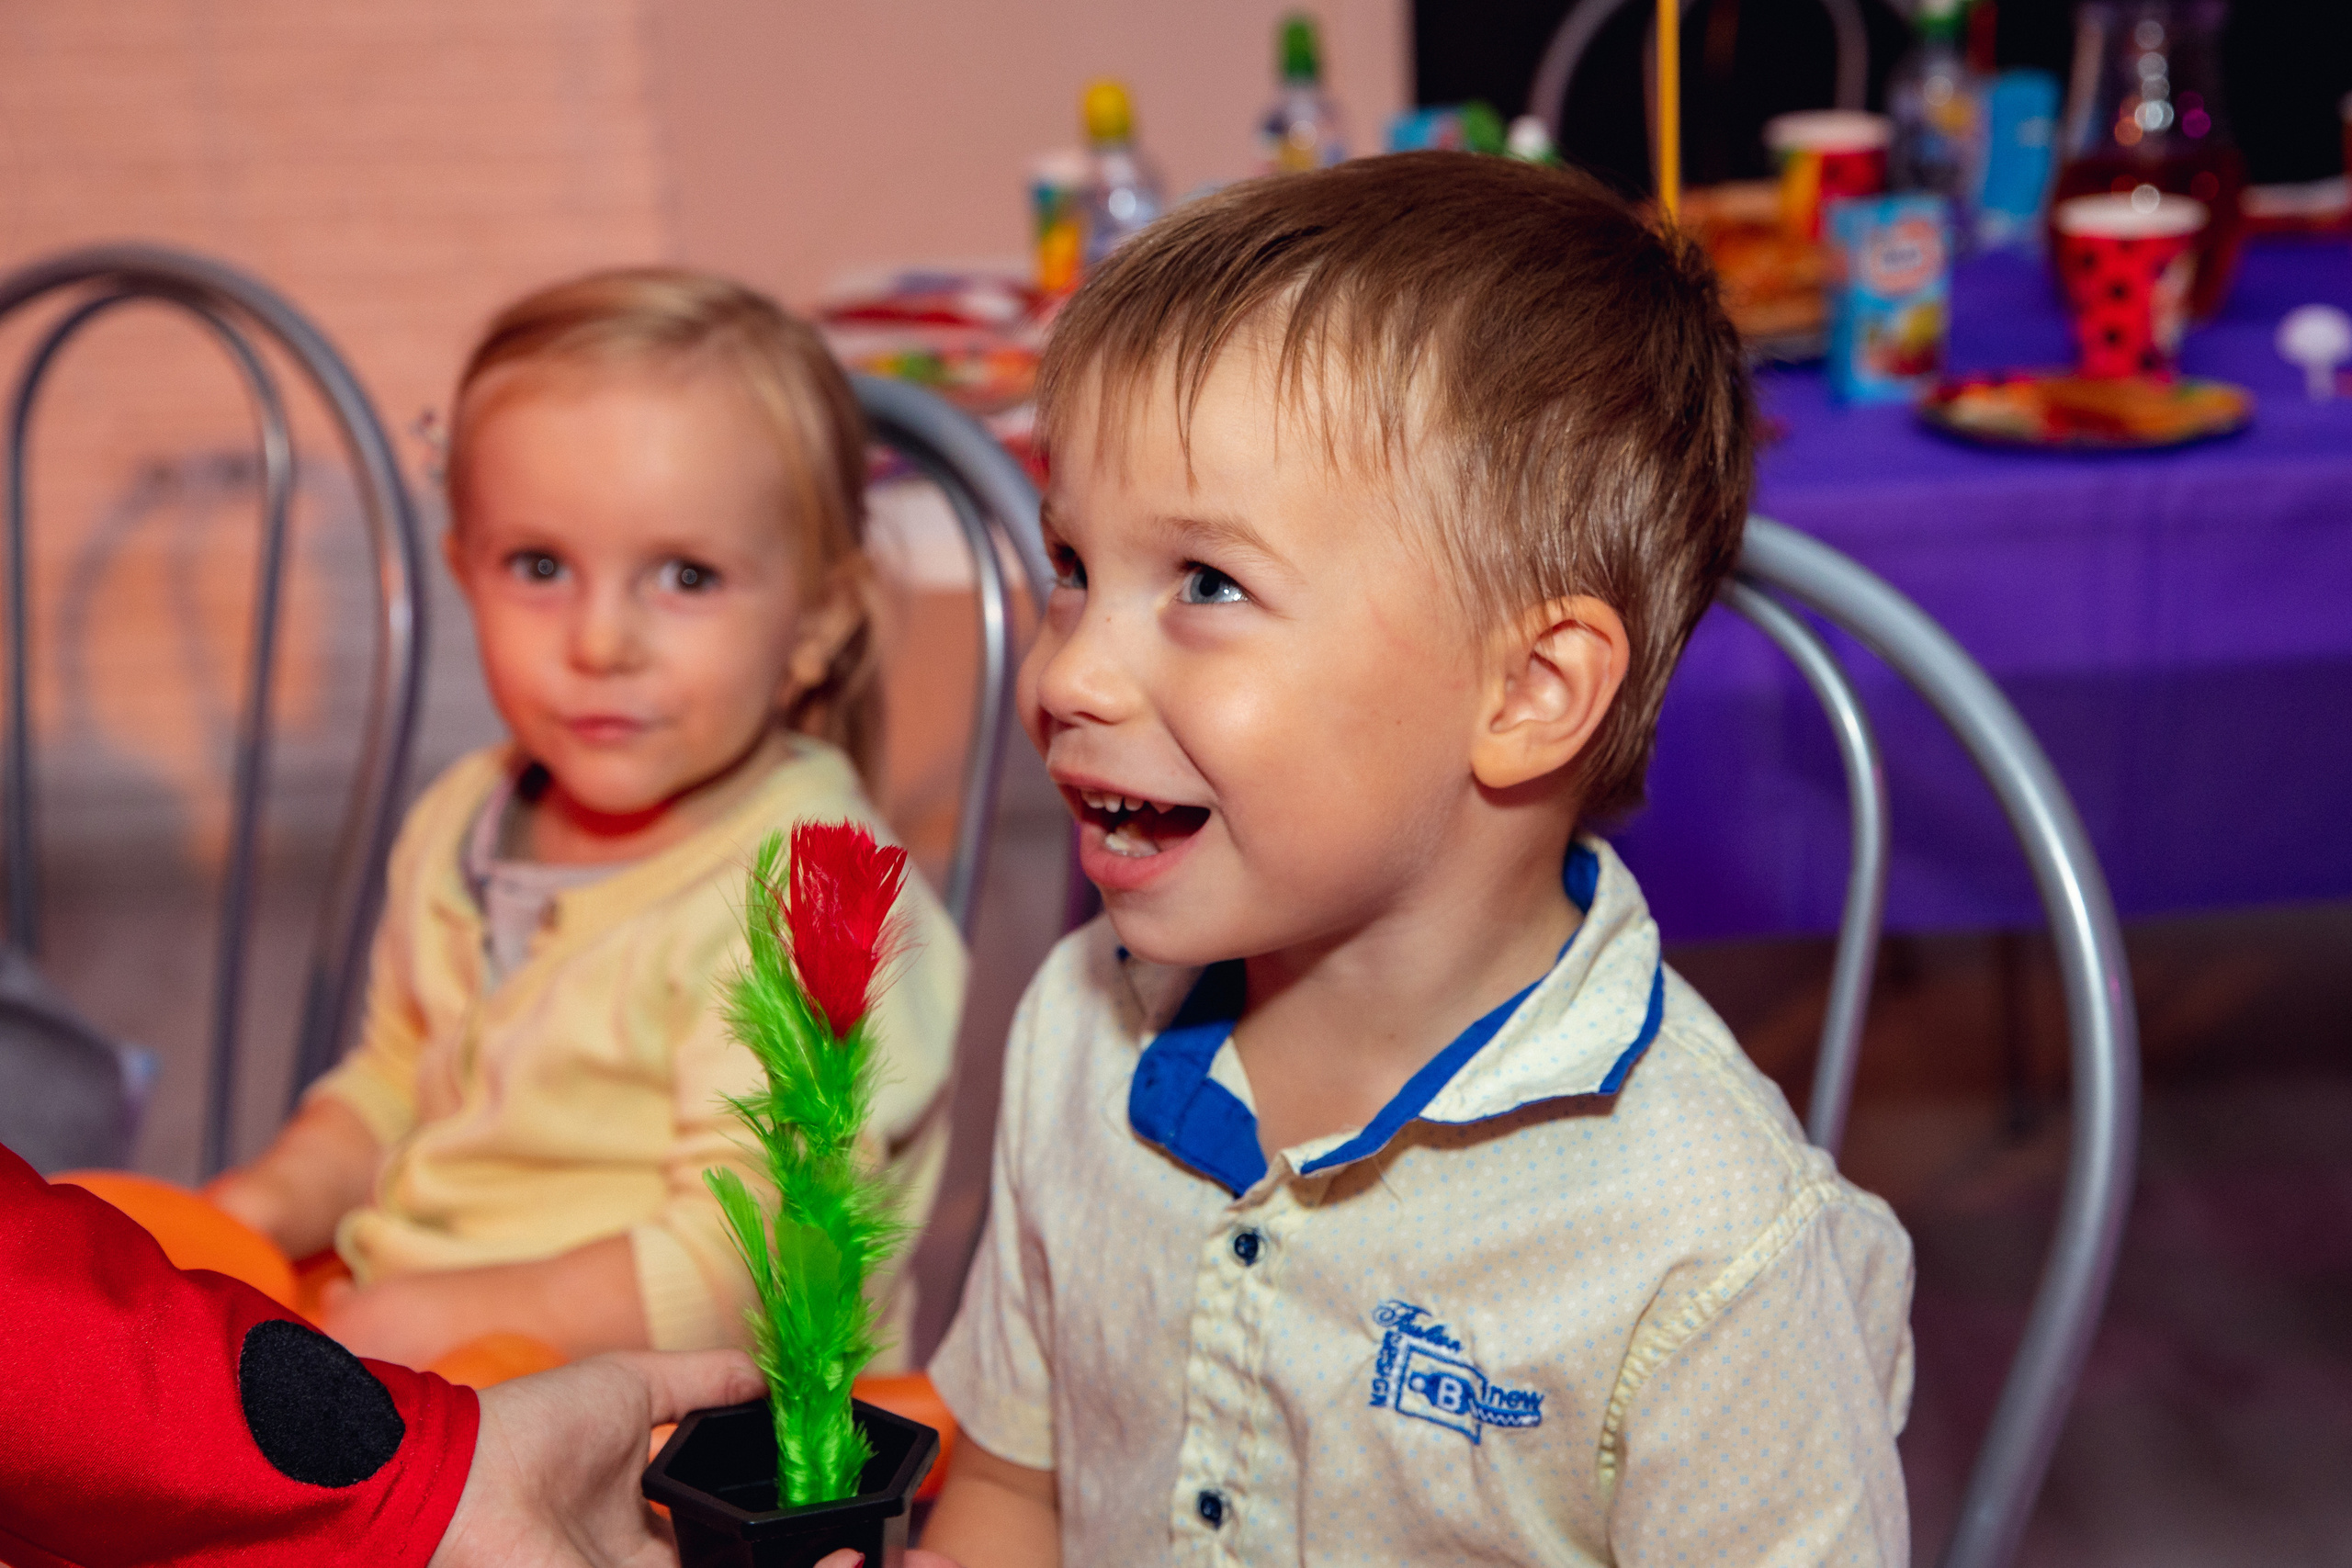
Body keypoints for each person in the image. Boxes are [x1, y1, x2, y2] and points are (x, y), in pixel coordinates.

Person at [916, 152, 1916, 1567]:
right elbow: (1019, 1488)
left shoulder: (1706, 1244)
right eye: (1072, 562)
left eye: (1206, 583)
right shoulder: (1076, 1031)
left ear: (1526, 692)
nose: (1072, 669)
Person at [205, 270, 966, 1371]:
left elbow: (772, 1253)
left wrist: (460, 1318)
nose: (601, 641)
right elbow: (396, 1084)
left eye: (686, 575)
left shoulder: (813, 900)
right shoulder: (464, 814)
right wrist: (263, 1205)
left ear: (815, 624)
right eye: (541, 566)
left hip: (699, 1411)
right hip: (430, 1326)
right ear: (464, 567)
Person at [0, 1138, 763, 1567]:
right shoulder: (449, 857)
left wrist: (431, 1465)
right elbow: (383, 1088)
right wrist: (266, 1200)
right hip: (363, 1340)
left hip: (501, 1355)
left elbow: (740, 1241)